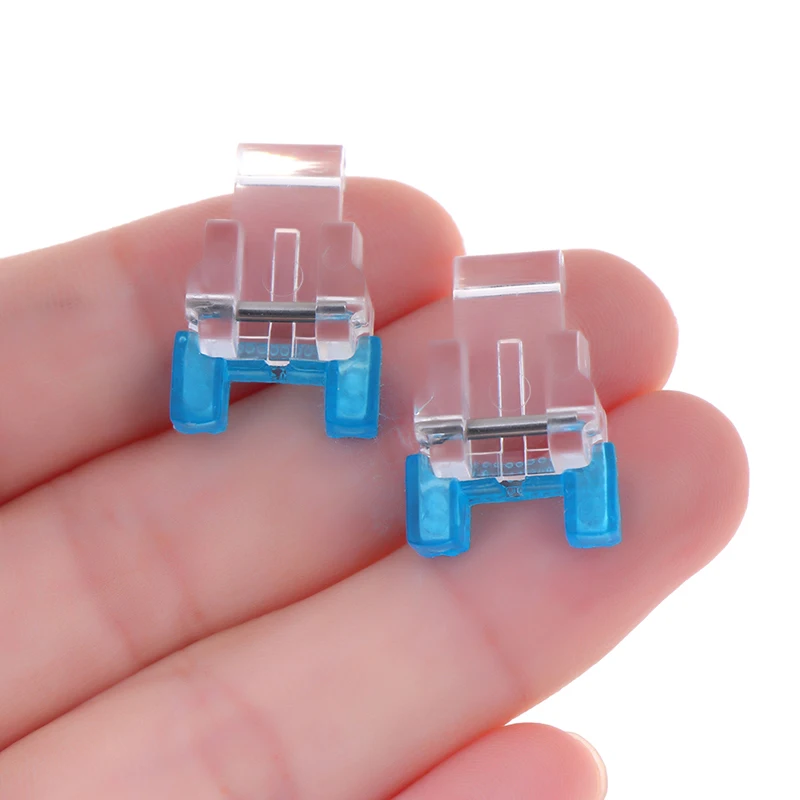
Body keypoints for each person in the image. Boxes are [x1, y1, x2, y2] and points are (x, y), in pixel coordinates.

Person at [0, 178, 748, 799]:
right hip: (403, 397)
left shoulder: (531, 381)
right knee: (420, 445)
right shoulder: (253, 284)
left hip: (511, 421)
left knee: (498, 444)